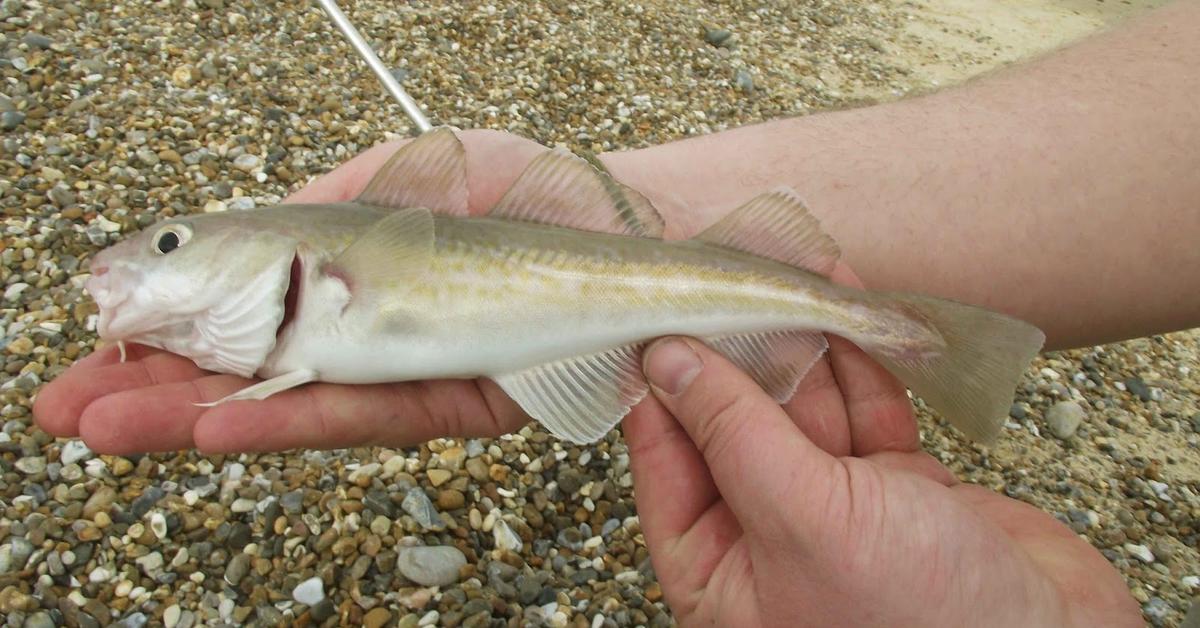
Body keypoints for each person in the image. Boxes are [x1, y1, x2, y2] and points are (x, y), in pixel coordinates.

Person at [34, 2, 1199, 625]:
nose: (140, 263)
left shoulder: (325, 263)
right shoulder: (295, 292)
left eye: (173, 243)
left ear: (283, 252)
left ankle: (916, 333)